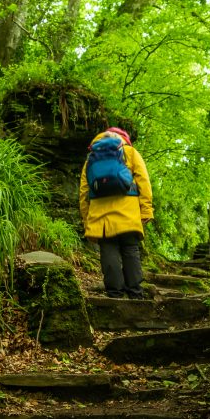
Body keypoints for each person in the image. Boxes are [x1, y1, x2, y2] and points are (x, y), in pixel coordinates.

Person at [79, 127, 154, 299]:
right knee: (130, 249)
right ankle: (135, 293)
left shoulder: (91, 157)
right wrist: (146, 210)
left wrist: (86, 219)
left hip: (101, 216)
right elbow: (144, 182)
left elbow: (84, 191)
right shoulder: (130, 152)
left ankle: (114, 294)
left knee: (108, 250)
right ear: (124, 138)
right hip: (128, 212)